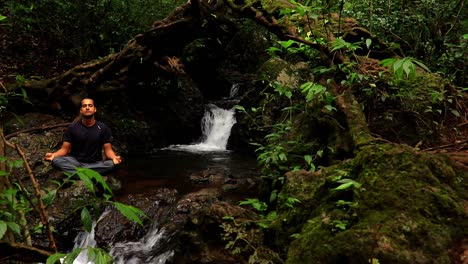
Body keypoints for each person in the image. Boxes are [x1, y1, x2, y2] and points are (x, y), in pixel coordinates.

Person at [44, 98, 122, 174]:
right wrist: (54, 155)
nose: (87, 108)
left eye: (90, 105)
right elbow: (65, 149)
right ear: (81, 110)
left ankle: (77, 173)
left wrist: (114, 157)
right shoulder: (72, 127)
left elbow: (108, 150)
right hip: (75, 161)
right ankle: (89, 173)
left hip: (95, 163)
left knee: (111, 164)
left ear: (95, 109)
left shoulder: (103, 128)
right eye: (84, 106)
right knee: (56, 160)